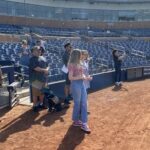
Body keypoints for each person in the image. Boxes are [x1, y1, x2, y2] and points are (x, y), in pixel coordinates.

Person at [68, 49, 92, 134]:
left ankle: (84, 123)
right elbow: (70, 77)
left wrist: (86, 77)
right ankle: (76, 120)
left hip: (81, 84)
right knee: (78, 103)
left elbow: (82, 75)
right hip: (75, 85)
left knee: (84, 103)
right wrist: (80, 77)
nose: (82, 55)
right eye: (80, 54)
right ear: (77, 55)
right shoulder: (71, 64)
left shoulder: (80, 63)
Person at [29, 46, 49, 112]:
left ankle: (41, 104)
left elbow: (48, 65)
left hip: (44, 78)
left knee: (42, 93)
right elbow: (36, 68)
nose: (39, 51)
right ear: (32, 52)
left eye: (39, 50)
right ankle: (35, 106)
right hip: (35, 79)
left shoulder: (43, 57)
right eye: (37, 50)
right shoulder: (32, 59)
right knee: (35, 94)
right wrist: (45, 70)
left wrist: (47, 69)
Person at [81, 50, 92, 114]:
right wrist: (87, 77)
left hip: (86, 81)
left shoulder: (85, 62)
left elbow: (86, 71)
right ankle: (82, 110)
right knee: (83, 96)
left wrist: (88, 76)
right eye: (85, 54)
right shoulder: (80, 63)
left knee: (85, 96)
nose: (87, 55)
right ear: (81, 55)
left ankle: (84, 109)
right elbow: (80, 73)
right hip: (82, 81)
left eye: (87, 54)